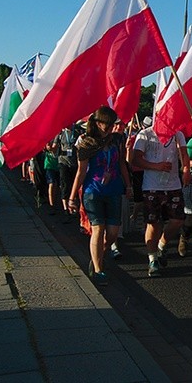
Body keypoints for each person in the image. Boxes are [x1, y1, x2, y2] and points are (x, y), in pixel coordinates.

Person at [68, 106, 133, 286]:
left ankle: (98, 255)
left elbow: (121, 163)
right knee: (98, 228)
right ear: (97, 123)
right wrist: (72, 196)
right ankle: (98, 270)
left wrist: (128, 185)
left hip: (113, 189)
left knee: (112, 232)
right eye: (107, 123)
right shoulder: (86, 143)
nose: (110, 127)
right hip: (93, 191)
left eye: (112, 124)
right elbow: (80, 172)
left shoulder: (117, 140)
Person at [132, 116, 190, 277]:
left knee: (178, 220)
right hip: (152, 186)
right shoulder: (145, 134)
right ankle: (152, 259)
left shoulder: (177, 134)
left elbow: (184, 154)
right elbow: (135, 159)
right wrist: (155, 166)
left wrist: (186, 170)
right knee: (153, 223)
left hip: (173, 185)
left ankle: (162, 245)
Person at [55, 123, 82, 218]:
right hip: (63, 161)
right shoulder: (60, 133)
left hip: (75, 162)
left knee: (74, 184)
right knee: (65, 184)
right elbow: (54, 146)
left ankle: (74, 205)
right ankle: (66, 208)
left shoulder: (78, 131)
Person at [43, 140, 60, 215]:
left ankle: (55, 200)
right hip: (49, 164)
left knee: (56, 184)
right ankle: (51, 204)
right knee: (52, 183)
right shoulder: (48, 137)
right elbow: (46, 148)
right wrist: (48, 147)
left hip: (58, 163)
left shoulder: (59, 136)